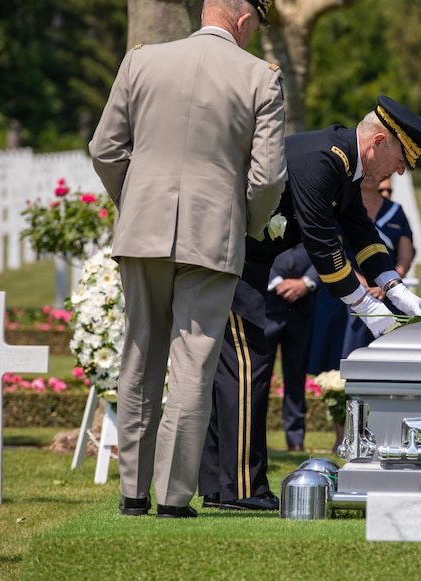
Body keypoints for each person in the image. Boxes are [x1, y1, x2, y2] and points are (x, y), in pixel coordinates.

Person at [88, 0, 285, 519]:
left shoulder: (141, 60)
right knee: (193, 364)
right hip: (212, 236)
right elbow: (266, 178)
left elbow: (105, 149)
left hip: (142, 229)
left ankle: (133, 492)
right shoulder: (261, 78)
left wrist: (136, 204)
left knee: (139, 355)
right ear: (245, 21)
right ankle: (174, 498)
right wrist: (246, 223)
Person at [199, 96, 421, 511]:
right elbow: (321, 240)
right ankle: (239, 489)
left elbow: (360, 230)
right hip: (228, 264)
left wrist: (394, 285)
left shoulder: (345, 163)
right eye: (402, 158)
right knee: (245, 371)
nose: (401, 170)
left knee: (240, 372)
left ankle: (224, 487)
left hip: (243, 264)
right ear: (379, 141)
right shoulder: (324, 160)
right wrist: (368, 308)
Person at [341, 177, 415, 357]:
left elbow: (405, 255)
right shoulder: (343, 207)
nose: (371, 176)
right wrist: (362, 287)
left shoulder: (396, 211)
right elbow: (337, 252)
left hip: (389, 291)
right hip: (350, 289)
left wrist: (389, 285)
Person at [263, 244, 319, 452]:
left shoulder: (315, 211)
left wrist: (306, 282)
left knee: (297, 376)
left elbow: (329, 245)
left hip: (304, 307)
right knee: (258, 377)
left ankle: (296, 440)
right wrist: (275, 280)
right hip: (266, 305)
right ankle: (253, 436)